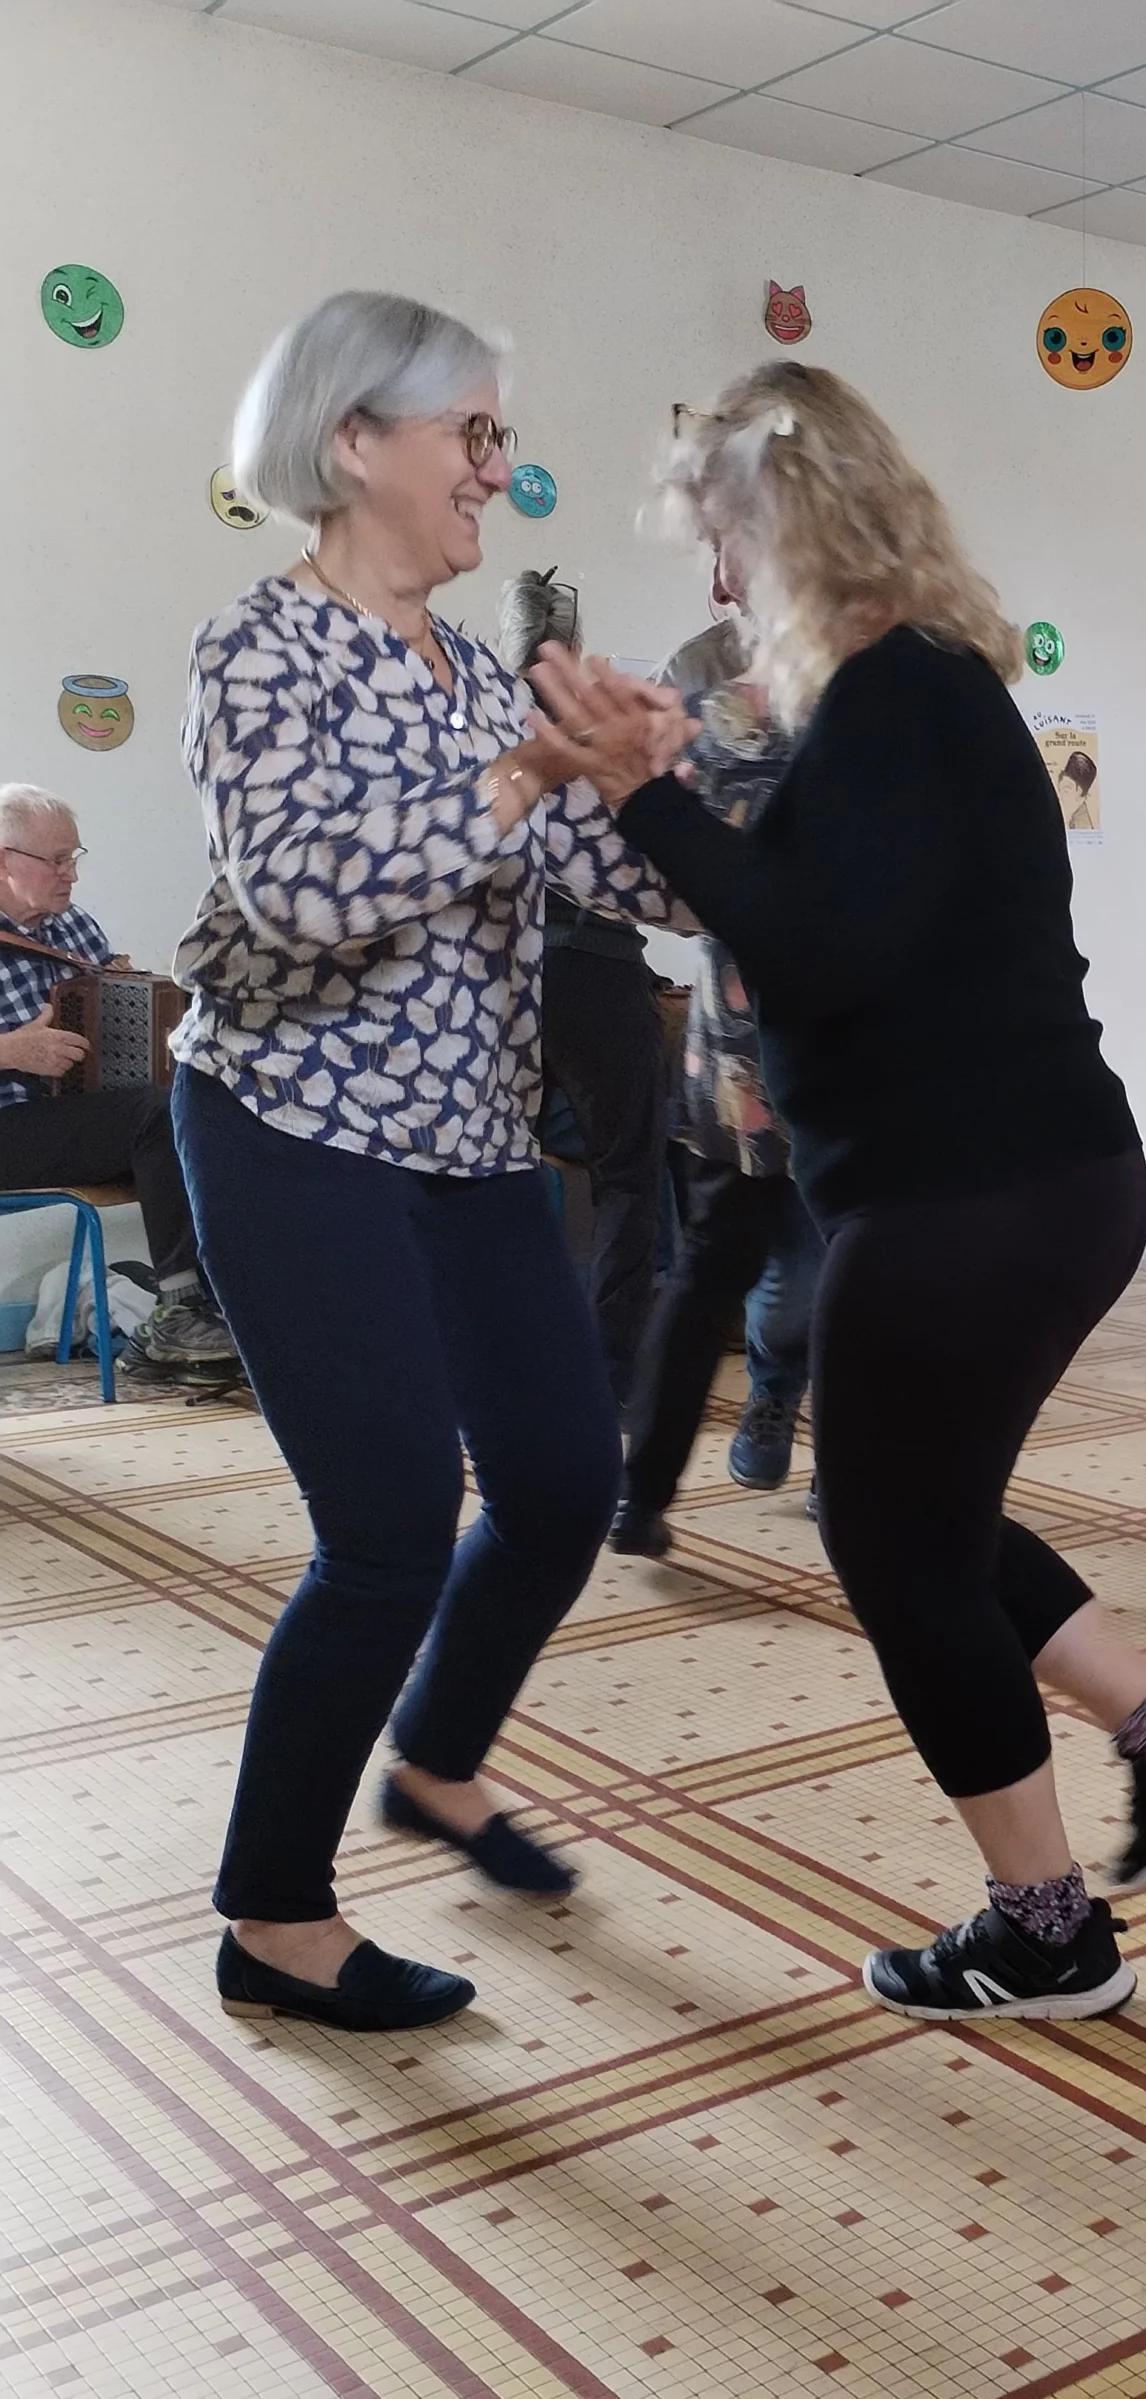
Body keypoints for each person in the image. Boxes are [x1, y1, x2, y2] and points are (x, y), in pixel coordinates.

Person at [537, 363, 1146, 2025]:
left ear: (789, 527)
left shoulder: (899, 697)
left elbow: (814, 944)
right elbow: (814, 908)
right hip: (1018, 1183)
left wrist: (642, 788)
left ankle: (1045, 1929)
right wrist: (666, 780)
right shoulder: (913, 696)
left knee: (896, 1548)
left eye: (728, 541)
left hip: (967, 1198)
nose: (720, 583)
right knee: (918, 1515)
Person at [176, 290, 684, 2034]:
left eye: (497, 436)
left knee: (561, 1487)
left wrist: (660, 782)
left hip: (463, 1142)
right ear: (352, 442)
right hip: (291, 1129)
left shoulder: (473, 669)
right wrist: (535, 771)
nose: (496, 468)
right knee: (390, 1530)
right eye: (472, 434)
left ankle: (439, 1762)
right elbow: (301, 895)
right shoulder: (261, 648)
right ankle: (273, 1918)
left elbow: (619, 889)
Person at [608, 593, 823, 1555]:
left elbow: (650, 876)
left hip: (742, 1049)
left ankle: (640, 1494)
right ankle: (818, 1458)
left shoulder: (708, 714)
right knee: (832, 1276)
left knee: (710, 1279)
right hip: (809, 1051)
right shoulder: (842, 708)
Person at [497, 568, 669, 1411]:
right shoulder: (591, 726)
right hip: (593, 963)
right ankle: (609, 1379)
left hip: (495, 973)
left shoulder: (471, 719)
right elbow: (639, 862)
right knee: (628, 1173)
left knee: (490, 1169)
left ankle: (499, 1365)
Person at [0, 785, 234, 1374]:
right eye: (55, 860)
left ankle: (236, 1304)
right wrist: (13, 1050)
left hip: (72, 1120)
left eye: (74, 857)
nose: (70, 875)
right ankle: (179, 1310)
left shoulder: (73, 928)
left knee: (214, 1108)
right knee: (157, 1115)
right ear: (4, 858)